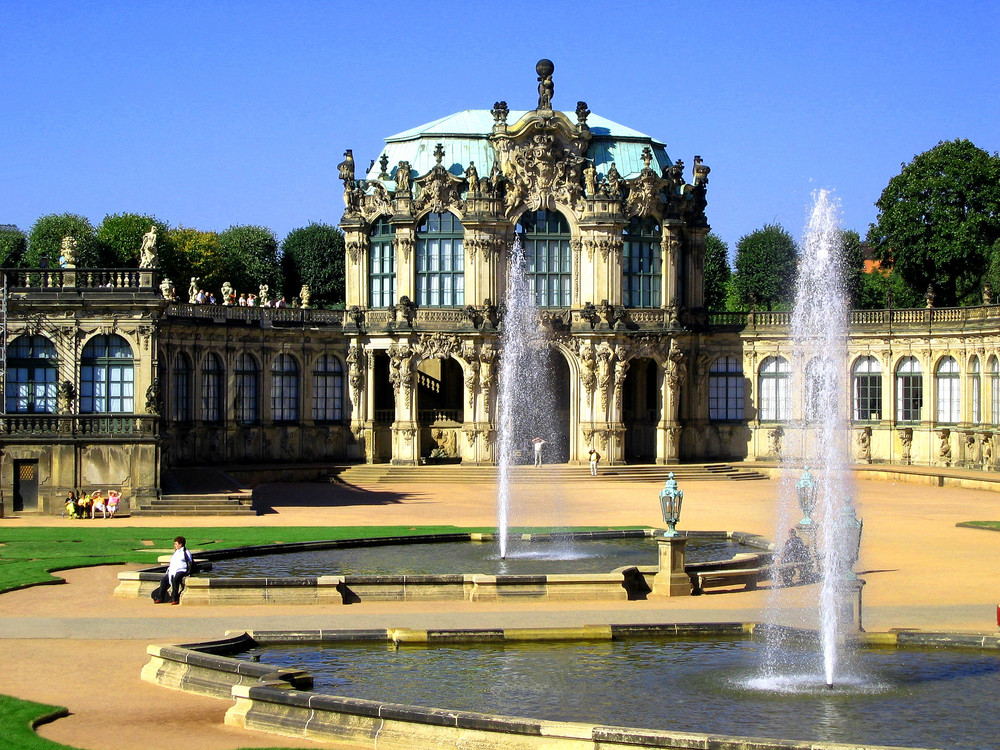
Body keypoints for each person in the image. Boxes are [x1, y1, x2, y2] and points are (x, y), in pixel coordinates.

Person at [152, 536, 194, 605]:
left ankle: (174, 599)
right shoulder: (176, 552)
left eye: (176, 544)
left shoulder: (186, 552)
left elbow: (190, 563)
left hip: (182, 570)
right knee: (164, 580)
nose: (174, 545)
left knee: (175, 580)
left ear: (180, 544)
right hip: (173, 570)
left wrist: (188, 573)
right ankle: (160, 598)